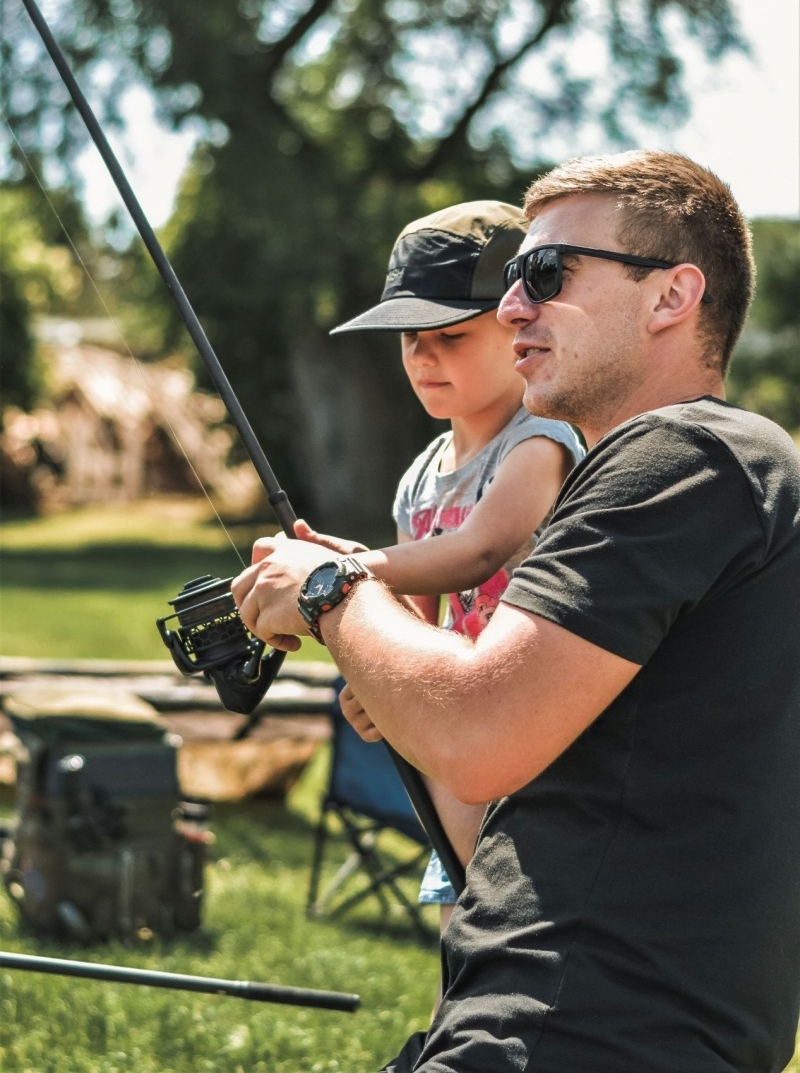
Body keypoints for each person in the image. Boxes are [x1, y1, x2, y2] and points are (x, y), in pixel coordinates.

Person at [233, 151, 800, 1073]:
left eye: (545, 273)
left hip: (578, 1029)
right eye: (510, 280)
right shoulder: (680, 471)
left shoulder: (685, 455)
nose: (509, 308)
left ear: (672, 295)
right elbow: (496, 712)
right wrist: (399, 663)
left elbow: (478, 733)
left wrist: (333, 591)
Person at [295, 200, 584, 941]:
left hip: (540, 733)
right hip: (462, 745)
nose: (424, 358)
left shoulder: (541, 441)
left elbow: (481, 549)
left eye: (450, 337)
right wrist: (380, 681)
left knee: (518, 933)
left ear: (518, 322)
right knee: (461, 949)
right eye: (410, 340)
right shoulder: (419, 478)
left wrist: (343, 572)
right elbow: (414, 618)